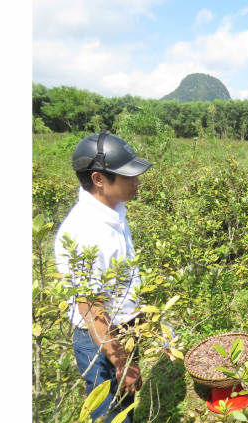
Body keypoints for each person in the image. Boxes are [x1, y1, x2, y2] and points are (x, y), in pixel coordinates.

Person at [54, 130, 153, 423]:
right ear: (99, 179)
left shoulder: (114, 209)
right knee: (109, 415)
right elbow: (90, 308)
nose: (137, 182)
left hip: (122, 329)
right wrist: (120, 360)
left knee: (127, 406)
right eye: (128, 176)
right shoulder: (85, 231)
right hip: (99, 339)